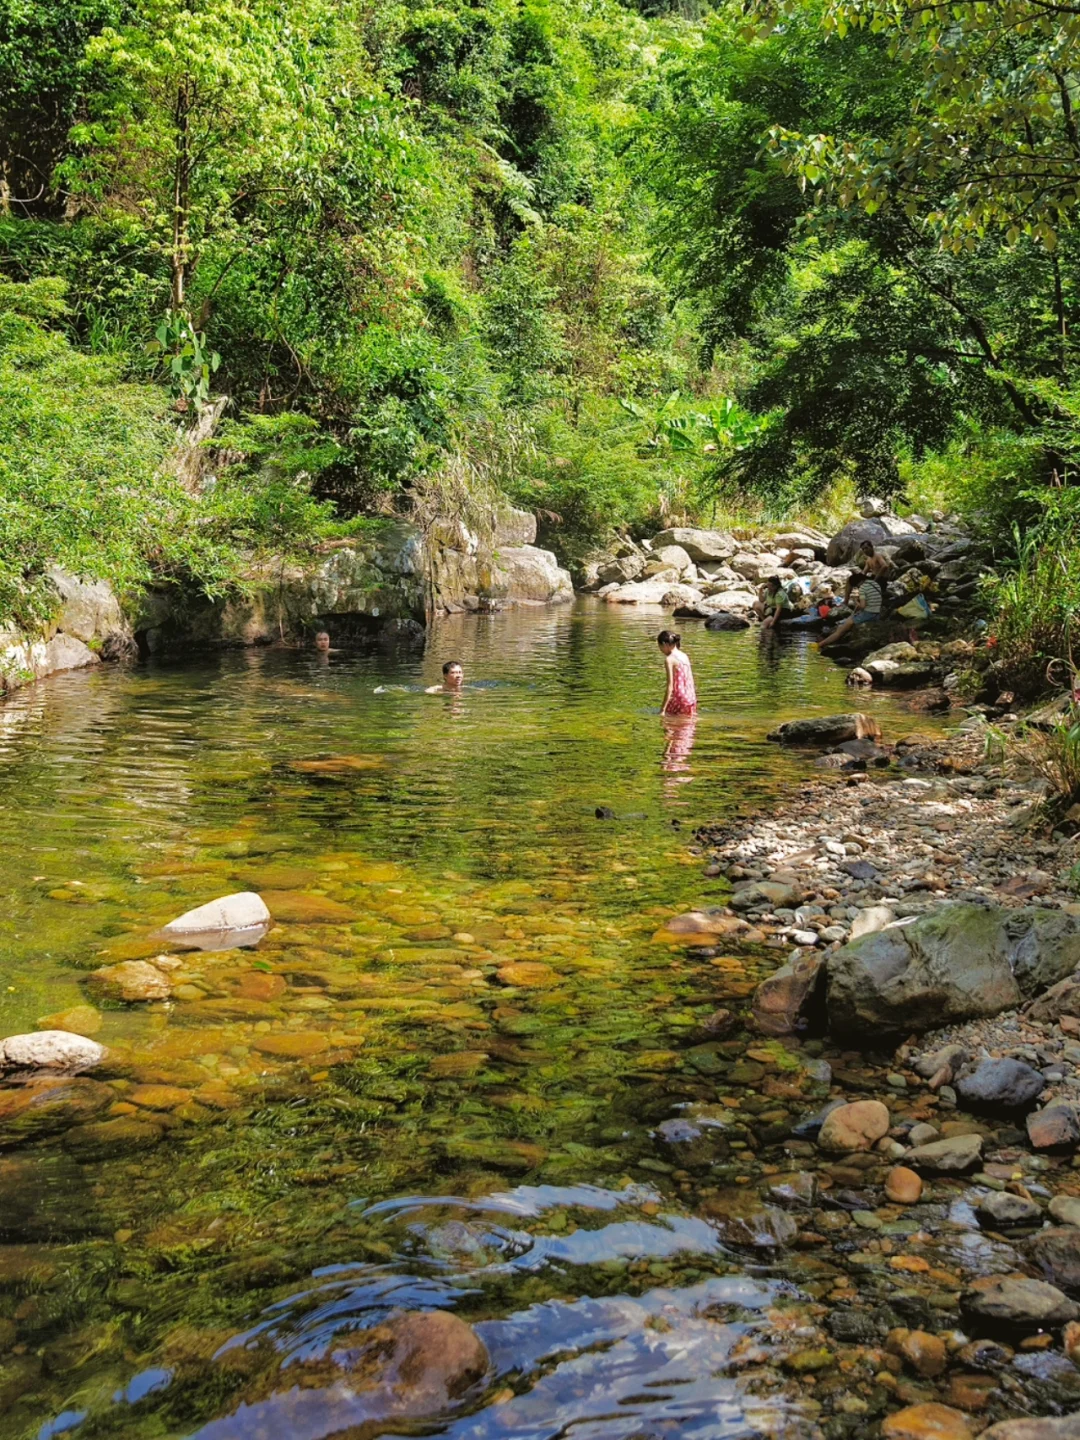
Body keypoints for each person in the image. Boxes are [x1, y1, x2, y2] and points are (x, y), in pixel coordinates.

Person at [819, 571, 883, 650]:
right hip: (877, 613)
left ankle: (821, 644)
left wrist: (855, 600)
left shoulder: (863, 588)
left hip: (869, 614)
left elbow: (862, 606)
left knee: (841, 629)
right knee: (849, 619)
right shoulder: (875, 584)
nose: (857, 588)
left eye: (856, 586)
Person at [657, 630, 697, 716]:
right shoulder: (684, 656)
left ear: (664, 644)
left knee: (669, 725)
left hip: (679, 699)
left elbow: (670, 686)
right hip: (691, 697)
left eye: (660, 646)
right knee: (687, 725)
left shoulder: (669, 659)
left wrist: (662, 709)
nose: (660, 650)